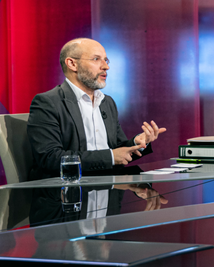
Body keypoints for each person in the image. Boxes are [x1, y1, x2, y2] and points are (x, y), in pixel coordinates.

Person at [27, 38, 166, 180]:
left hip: (109, 185)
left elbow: (118, 149)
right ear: (72, 64)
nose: (106, 67)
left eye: (106, 60)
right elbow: (50, 158)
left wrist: (137, 143)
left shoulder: (107, 102)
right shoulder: (48, 102)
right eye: (96, 59)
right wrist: (110, 157)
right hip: (69, 188)